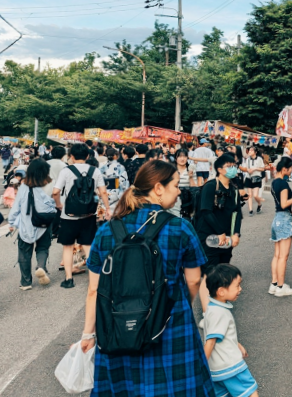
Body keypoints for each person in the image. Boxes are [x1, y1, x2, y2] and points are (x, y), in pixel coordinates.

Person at [79, 160, 214, 396]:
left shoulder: (107, 230)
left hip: (118, 326)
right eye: (175, 185)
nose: (180, 190)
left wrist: (88, 334)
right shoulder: (180, 228)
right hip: (170, 324)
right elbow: (194, 281)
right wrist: (177, 304)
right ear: (158, 188)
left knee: (126, 386)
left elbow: (94, 290)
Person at [52, 143, 111, 289]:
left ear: (71, 156)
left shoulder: (66, 171)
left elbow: (55, 192)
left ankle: (68, 278)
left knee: (67, 246)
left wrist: (59, 205)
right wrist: (108, 208)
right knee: (88, 245)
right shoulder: (95, 170)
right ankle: (94, 278)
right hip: (88, 214)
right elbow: (103, 192)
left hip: (69, 215)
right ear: (87, 156)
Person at [195, 154, 243, 311]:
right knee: (209, 273)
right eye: (229, 166)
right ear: (220, 169)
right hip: (208, 236)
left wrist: (236, 234)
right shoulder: (210, 186)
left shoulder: (234, 191)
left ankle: (218, 306)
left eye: (234, 165)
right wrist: (221, 232)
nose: (233, 168)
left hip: (226, 239)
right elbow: (206, 211)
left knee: (223, 269)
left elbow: (237, 214)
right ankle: (206, 311)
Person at [202, 264, 259, 397]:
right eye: (237, 285)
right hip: (230, 366)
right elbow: (210, 342)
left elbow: (221, 334)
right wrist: (202, 366)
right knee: (251, 392)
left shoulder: (212, 308)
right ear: (221, 291)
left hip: (216, 369)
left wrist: (236, 344)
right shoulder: (220, 313)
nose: (240, 289)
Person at [8, 159, 57, 290]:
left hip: (26, 225)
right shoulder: (50, 185)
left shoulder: (24, 187)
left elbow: (16, 207)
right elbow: (56, 200)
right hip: (45, 223)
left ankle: (26, 282)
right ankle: (41, 267)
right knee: (43, 248)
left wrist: (11, 222)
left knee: (24, 252)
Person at [269, 157, 292, 297]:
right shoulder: (282, 183)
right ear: (284, 169)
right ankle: (281, 287)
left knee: (277, 255)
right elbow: (283, 203)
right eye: (290, 168)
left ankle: (274, 284)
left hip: (277, 219)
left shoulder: (274, 182)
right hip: (284, 220)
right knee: (283, 257)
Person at [98, 147, 129, 214]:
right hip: (116, 194)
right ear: (115, 156)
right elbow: (124, 183)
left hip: (104, 193)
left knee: (104, 214)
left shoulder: (101, 167)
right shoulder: (120, 167)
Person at [171, 149, 197, 218]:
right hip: (174, 197)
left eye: (184, 156)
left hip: (187, 199)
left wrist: (190, 177)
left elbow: (194, 188)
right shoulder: (171, 170)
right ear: (176, 158)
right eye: (179, 157)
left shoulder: (191, 168)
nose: (182, 159)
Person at [241, 146, 265, 216]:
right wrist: (248, 170)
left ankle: (259, 204)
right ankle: (250, 210)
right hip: (249, 177)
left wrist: (254, 169)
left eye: (251, 150)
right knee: (250, 195)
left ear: (255, 152)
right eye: (249, 150)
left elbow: (262, 169)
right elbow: (246, 168)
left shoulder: (259, 159)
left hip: (257, 178)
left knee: (255, 195)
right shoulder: (248, 159)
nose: (250, 152)